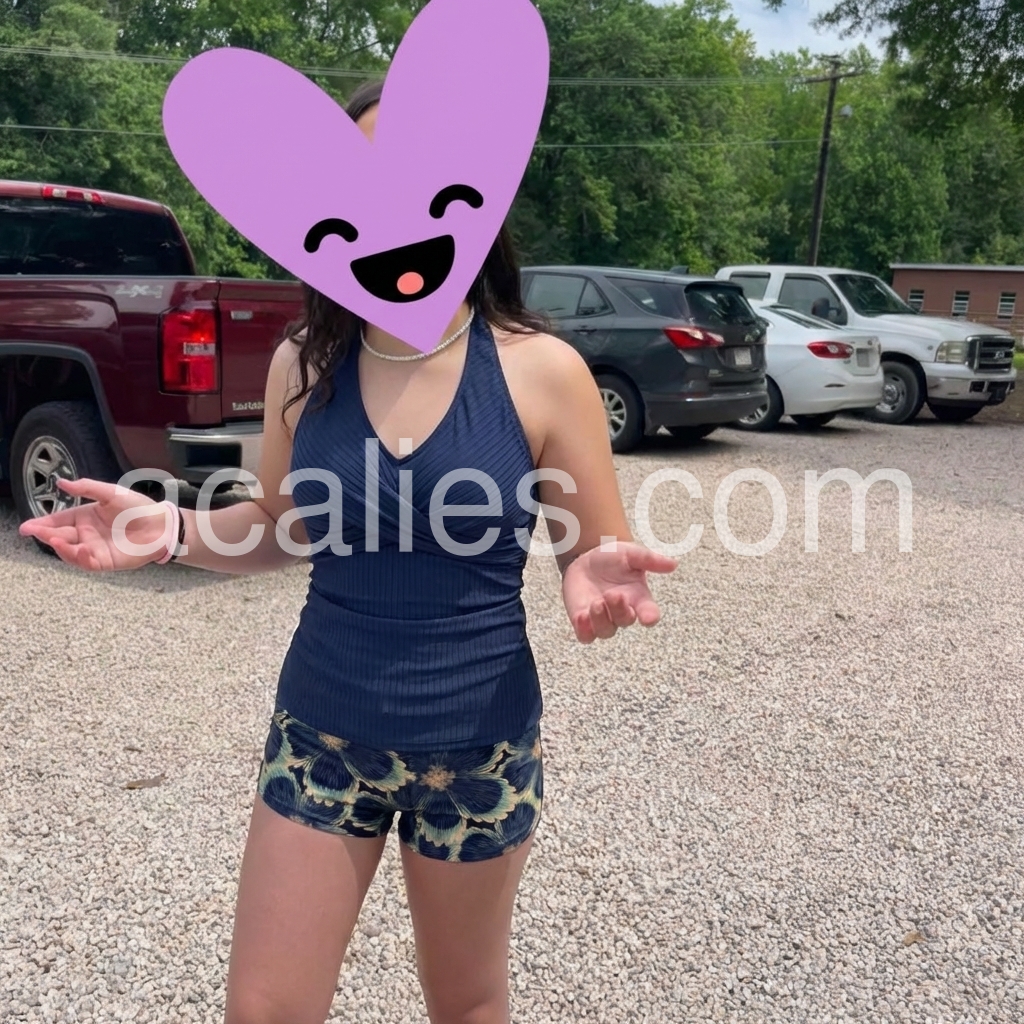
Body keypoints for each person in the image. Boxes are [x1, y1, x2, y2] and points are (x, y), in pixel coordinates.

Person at [20, 81, 677, 1024]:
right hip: (321, 734)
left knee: (466, 1003)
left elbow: (593, 556)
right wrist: (173, 531)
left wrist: (592, 575)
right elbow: (284, 526)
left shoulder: (542, 370)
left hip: (479, 744)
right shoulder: (305, 362)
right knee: (264, 1009)